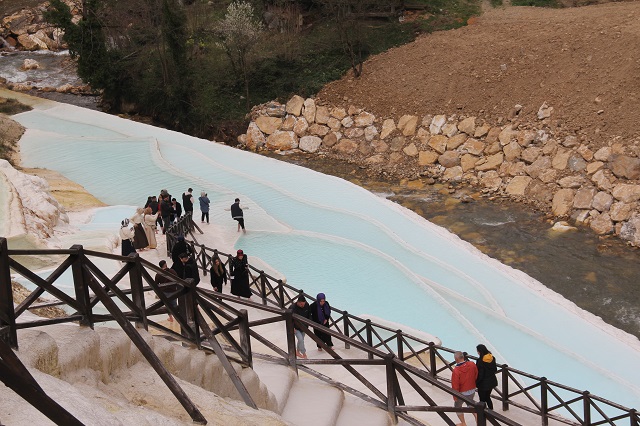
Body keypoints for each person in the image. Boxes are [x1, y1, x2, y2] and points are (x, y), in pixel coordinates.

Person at [451, 351, 479, 426]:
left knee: (457, 407)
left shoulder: (456, 370)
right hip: (472, 389)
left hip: (462, 393)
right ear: (463, 357)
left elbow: (455, 385)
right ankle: (478, 421)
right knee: (471, 405)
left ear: (456, 359)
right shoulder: (472, 364)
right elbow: (476, 374)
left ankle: (463, 423)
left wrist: (455, 396)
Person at [476, 344, 498, 410]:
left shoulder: (480, 361)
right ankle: (491, 411)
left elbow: (480, 374)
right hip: (491, 382)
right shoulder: (492, 358)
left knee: (482, 400)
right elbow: (495, 369)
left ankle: (483, 414)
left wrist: (476, 382)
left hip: (483, 384)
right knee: (487, 397)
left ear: (480, 351)